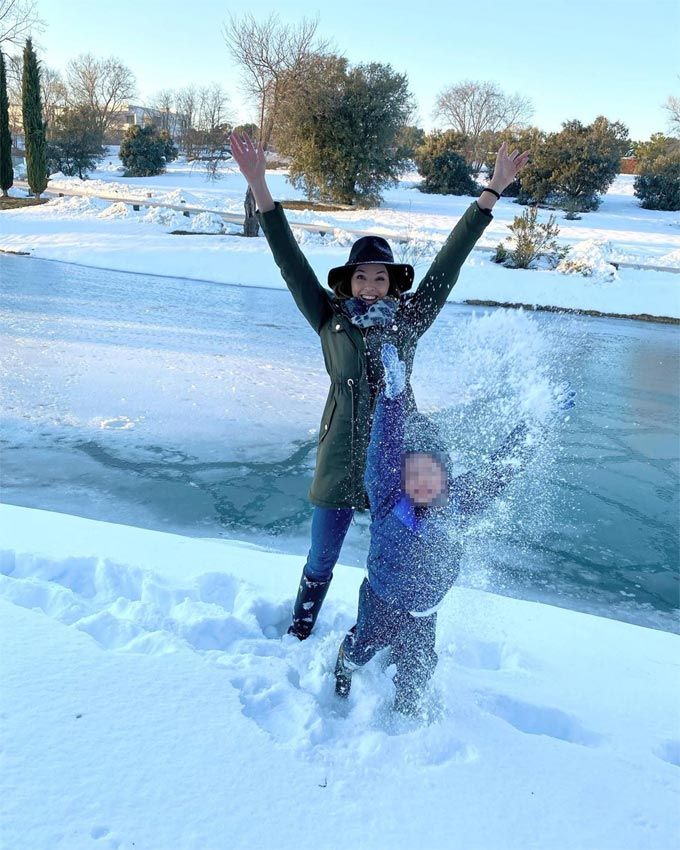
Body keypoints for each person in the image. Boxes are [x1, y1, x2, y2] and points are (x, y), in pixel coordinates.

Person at [230, 131, 529, 639]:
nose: (370, 287)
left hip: (396, 464)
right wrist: (260, 187)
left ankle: (391, 629)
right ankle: (301, 629)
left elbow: (447, 266)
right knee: (321, 554)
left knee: (402, 555)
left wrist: (492, 192)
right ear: (348, 282)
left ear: (393, 284)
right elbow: (289, 261)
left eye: (381, 278)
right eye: (362, 277)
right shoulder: (328, 319)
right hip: (341, 456)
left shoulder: (408, 324)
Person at [334, 344, 575, 715]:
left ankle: (406, 709)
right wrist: (393, 400)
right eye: (413, 472)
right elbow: (382, 450)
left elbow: (500, 470)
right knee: (364, 645)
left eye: (431, 472)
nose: (423, 481)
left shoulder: (458, 504)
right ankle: (344, 661)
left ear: (445, 474)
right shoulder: (386, 500)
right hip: (382, 598)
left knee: (417, 668)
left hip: (423, 610)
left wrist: (537, 424)